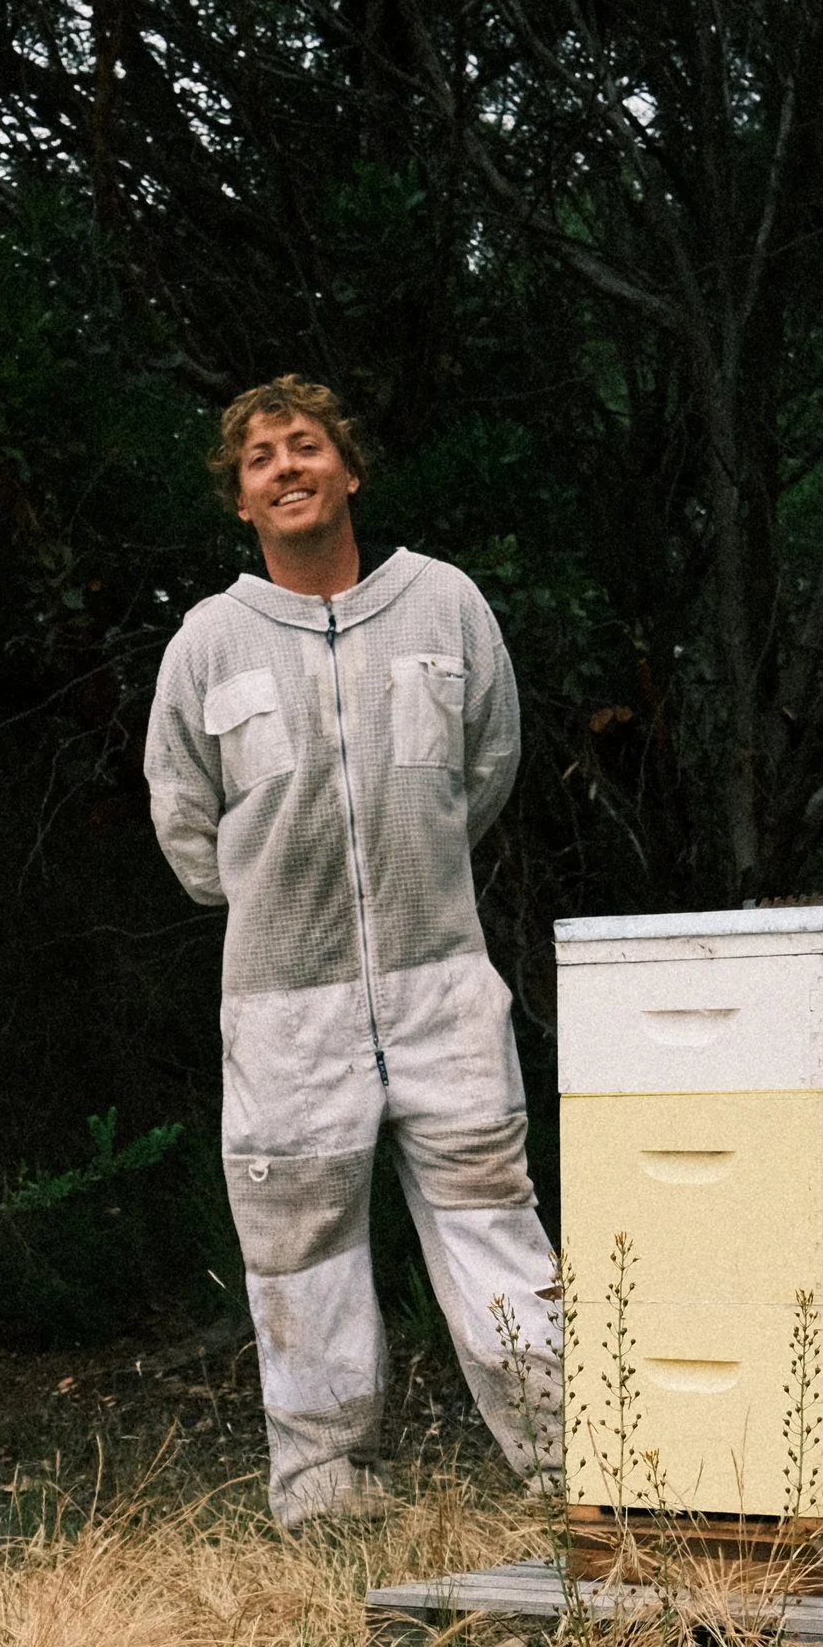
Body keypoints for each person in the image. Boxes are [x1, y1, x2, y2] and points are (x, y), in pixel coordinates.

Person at [143, 374, 562, 1526]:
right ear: (240, 499)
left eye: (305, 446)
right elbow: (183, 819)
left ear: (349, 469)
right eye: (260, 458)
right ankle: (324, 1484)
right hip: (284, 1001)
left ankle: (576, 1467)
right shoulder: (209, 643)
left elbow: (485, 766)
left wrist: (409, 864)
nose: (286, 467)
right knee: (298, 1244)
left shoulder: (445, 605)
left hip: (439, 980)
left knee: (492, 1217)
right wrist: (272, 897)